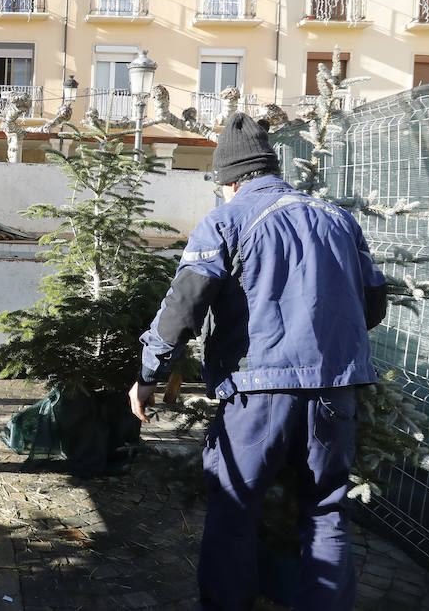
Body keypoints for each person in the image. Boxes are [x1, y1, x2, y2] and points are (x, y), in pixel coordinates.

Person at [127, 112, 388, 611]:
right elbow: (372, 304)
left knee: (234, 510)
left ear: (229, 180)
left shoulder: (226, 220)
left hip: (258, 393)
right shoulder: (339, 220)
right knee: (327, 511)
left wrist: (149, 375)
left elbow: (183, 305)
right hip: (336, 390)